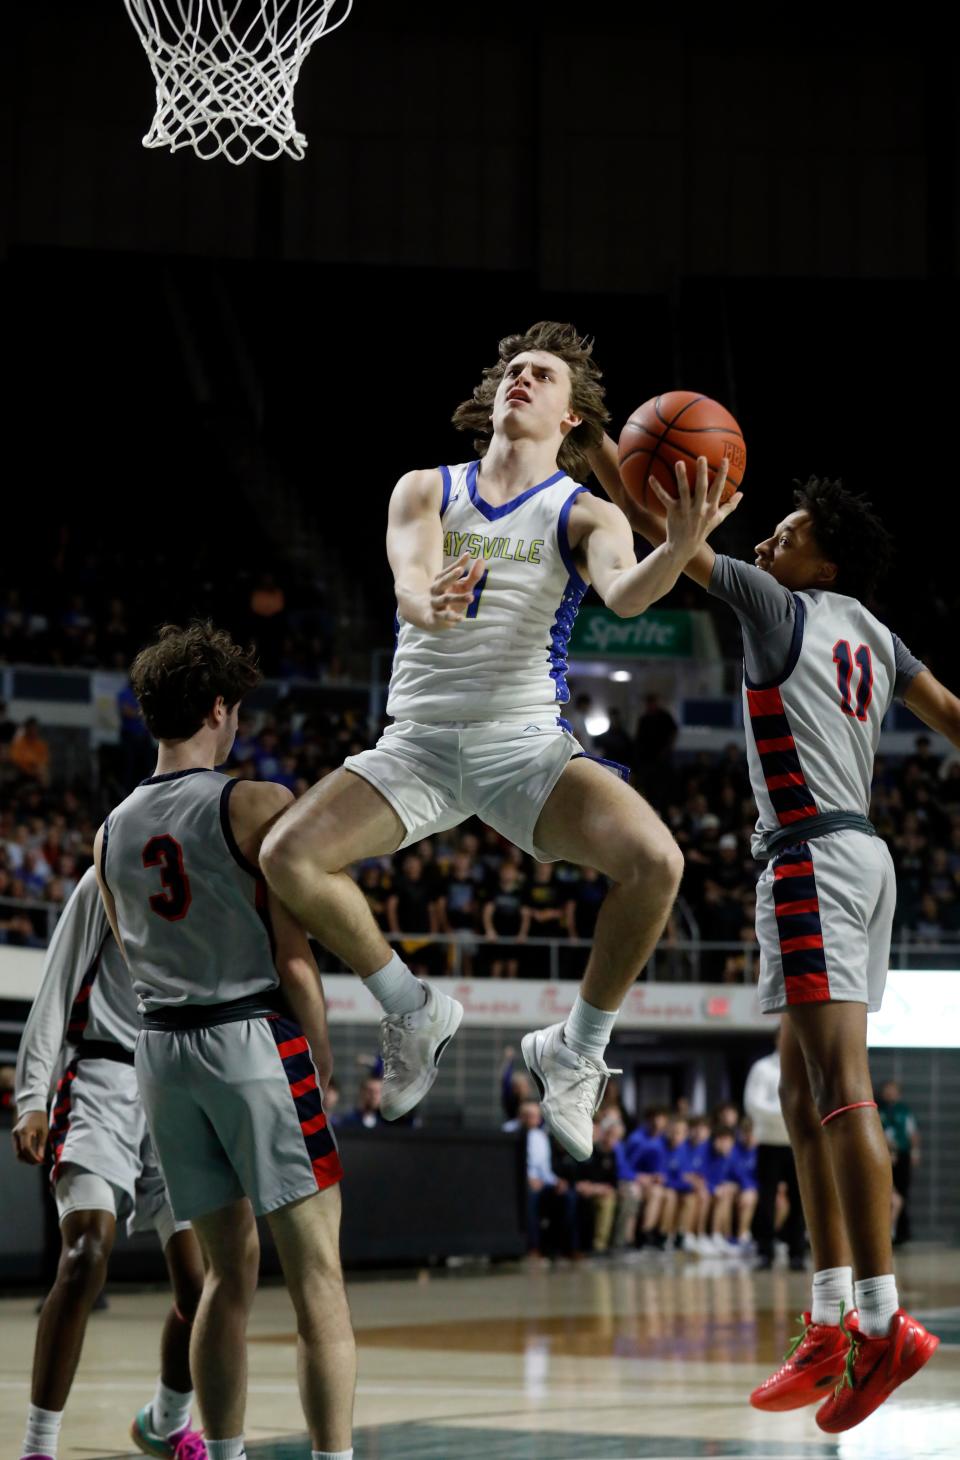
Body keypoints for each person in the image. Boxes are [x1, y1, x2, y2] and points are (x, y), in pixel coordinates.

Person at [260, 321, 738, 1162]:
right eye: (513, 369)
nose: (521, 378)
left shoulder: (584, 511)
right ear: (492, 398)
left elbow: (627, 597)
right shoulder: (424, 487)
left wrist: (678, 545)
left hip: (526, 749)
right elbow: (409, 577)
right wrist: (422, 603)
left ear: (572, 419)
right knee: (287, 855)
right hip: (418, 743)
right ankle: (410, 1006)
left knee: (658, 863)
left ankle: (577, 1048)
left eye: (542, 375)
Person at [594, 440, 945, 1429]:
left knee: (839, 1091)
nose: (773, 533)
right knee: (796, 1090)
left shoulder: (772, 601)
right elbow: (953, 712)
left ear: (818, 565)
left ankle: (880, 1321)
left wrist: (614, 455)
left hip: (811, 857)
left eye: (791, 531)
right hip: (854, 856)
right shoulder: (871, 628)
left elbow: (682, 546)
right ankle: (830, 1315)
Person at [92, 622, 356, 1460]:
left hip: (162, 1052)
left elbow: (131, 953)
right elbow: (295, 957)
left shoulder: (109, 831)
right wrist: (322, 1059)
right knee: (317, 1278)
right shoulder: (254, 802)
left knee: (223, 1280)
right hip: (250, 1037)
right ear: (217, 709)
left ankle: (225, 1452)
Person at [12, 869, 206, 1460]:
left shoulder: (222, 884)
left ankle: (166, 1423)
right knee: (86, 1252)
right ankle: (38, 1446)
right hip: (100, 1078)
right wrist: (31, 1097)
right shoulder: (107, 875)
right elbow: (56, 981)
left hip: (180, 1087)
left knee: (205, 1290)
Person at [743, 1030, 806, 1271]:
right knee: (767, 1200)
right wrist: (786, 1113)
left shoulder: (803, 1066)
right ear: (777, 1040)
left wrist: (788, 1113)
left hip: (796, 1143)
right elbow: (753, 1105)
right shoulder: (762, 1068)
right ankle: (765, 1252)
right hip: (768, 1142)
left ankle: (797, 1253)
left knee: (799, 1201)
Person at [877, 1080, 920, 1245]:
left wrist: (915, 1152)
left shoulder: (904, 1110)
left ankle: (898, 1233)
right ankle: (886, 1232)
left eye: (893, 1090)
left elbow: (913, 1133)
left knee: (901, 1195)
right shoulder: (879, 1110)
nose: (889, 1093)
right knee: (886, 1194)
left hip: (902, 1155)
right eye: (887, 1090)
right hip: (884, 1156)